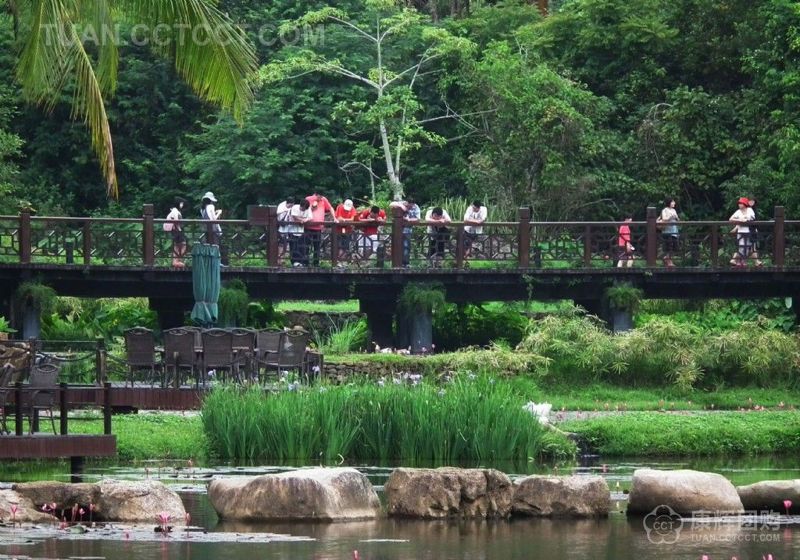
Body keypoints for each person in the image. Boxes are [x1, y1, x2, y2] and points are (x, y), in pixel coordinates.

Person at [304, 193, 337, 267]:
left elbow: (330, 208)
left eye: (321, 197)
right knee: (306, 245)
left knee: (317, 245)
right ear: (316, 195)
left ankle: (316, 263)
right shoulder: (308, 199)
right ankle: (306, 262)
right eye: (319, 197)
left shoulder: (323, 200)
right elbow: (304, 211)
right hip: (308, 227)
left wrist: (334, 217)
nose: (320, 198)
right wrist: (312, 207)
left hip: (318, 227)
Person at [729, 196, 760, 267]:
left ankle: (741, 261)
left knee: (748, 246)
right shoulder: (738, 211)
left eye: (741, 203)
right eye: (739, 203)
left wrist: (738, 220)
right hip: (741, 231)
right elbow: (731, 219)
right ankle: (739, 261)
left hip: (749, 231)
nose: (739, 205)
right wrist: (739, 220)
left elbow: (746, 219)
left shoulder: (750, 210)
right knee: (742, 246)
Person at [390, 197, 420, 267]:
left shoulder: (416, 207)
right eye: (409, 205)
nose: (410, 207)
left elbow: (418, 219)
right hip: (397, 228)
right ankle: (396, 264)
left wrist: (408, 220)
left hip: (407, 228)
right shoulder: (402, 203)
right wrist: (401, 206)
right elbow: (391, 204)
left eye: (412, 206)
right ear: (406, 202)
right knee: (396, 245)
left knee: (406, 246)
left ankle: (405, 264)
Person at [201, 191, 228, 266]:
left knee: (208, 244)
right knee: (216, 245)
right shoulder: (211, 206)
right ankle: (217, 262)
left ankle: (208, 261)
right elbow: (213, 219)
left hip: (206, 228)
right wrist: (219, 213)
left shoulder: (202, 208)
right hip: (212, 228)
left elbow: (208, 217)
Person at [657, 198, 679, 267]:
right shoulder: (665, 210)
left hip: (674, 230)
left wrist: (676, 218)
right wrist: (670, 217)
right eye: (672, 202)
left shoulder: (674, 210)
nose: (674, 203)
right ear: (669, 202)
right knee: (669, 246)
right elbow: (664, 219)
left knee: (675, 247)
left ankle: (666, 258)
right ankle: (669, 261)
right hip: (667, 231)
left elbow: (678, 219)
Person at [334, 199, 358, 266]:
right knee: (338, 245)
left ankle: (343, 260)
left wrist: (344, 220)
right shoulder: (340, 207)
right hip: (338, 229)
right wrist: (346, 220)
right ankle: (338, 261)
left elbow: (352, 219)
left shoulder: (352, 208)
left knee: (346, 246)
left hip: (348, 230)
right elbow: (338, 218)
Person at [289, 199, 312, 267]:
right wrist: (301, 220)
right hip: (292, 230)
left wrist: (305, 220)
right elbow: (294, 216)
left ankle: (302, 261)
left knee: (302, 246)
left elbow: (310, 217)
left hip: (301, 230)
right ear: (301, 206)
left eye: (305, 209)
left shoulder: (308, 209)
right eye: (303, 208)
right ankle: (294, 262)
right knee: (293, 246)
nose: (303, 210)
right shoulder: (295, 207)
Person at [165, 197, 187, 268]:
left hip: (174, 231)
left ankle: (175, 261)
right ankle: (177, 261)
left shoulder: (174, 211)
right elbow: (177, 221)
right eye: (181, 203)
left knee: (177, 246)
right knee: (183, 245)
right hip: (177, 230)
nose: (182, 205)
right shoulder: (176, 212)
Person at [276, 196, 295, 261]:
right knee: (281, 243)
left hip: (289, 227)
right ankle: (279, 258)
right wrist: (285, 210)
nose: (291, 206)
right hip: (281, 227)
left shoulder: (292, 207)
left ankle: (283, 259)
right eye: (291, 205)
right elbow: (277, 213)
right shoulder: (281, 205)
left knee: (287, 244)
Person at [747, 197, 763, 266]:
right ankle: (756, 261)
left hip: (753, 230)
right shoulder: (746, 209)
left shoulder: (755, 210)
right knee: (747, 247)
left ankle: (756, 261)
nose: (751, 202)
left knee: (753, 247)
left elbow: (756, 220)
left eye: (752, 201)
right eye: (750, 201)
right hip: (746, 230)